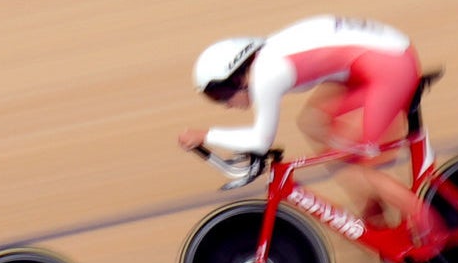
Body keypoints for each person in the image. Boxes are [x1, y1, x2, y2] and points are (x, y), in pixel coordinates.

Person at [180, 15, 436, 242]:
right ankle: (373, 206)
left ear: (238, 74)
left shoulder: (267, 73)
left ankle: (433, 232)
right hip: (379, 61)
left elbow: (260, 140)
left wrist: (205, 135)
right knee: (313, 123)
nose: (224, 104)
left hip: (389, 67)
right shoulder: (267, 58)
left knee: (368, 166)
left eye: (221, 93)